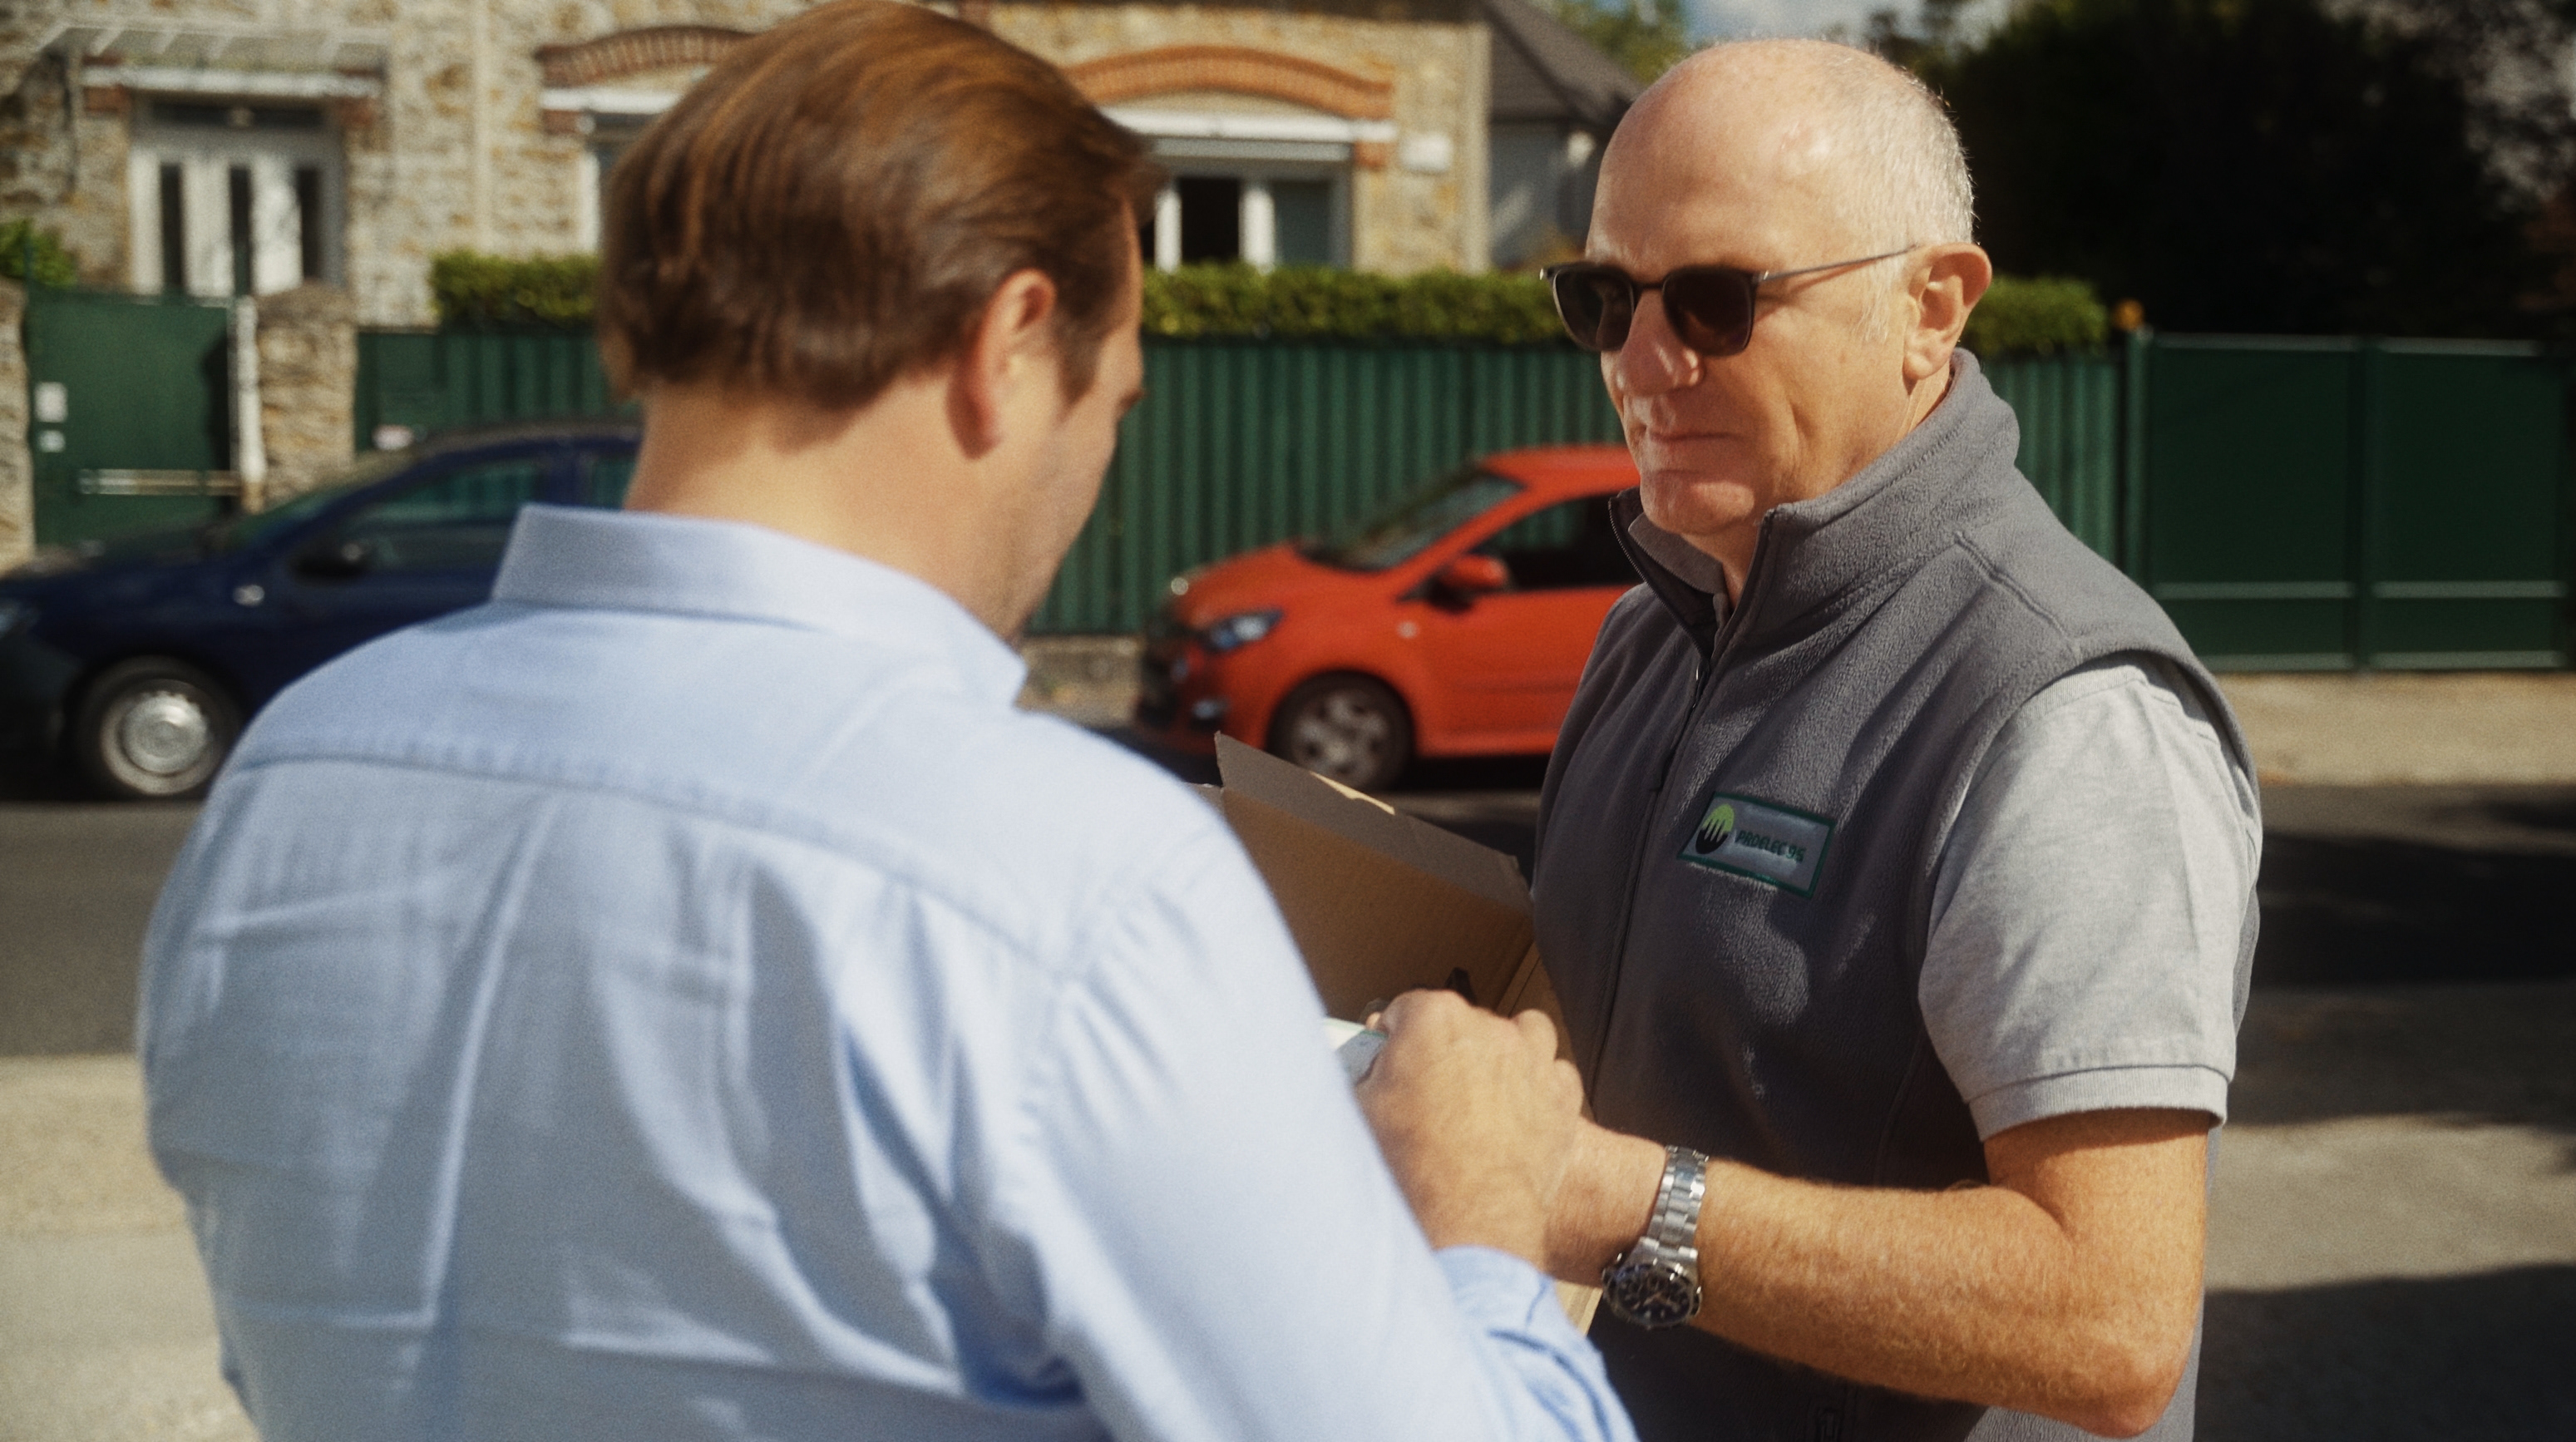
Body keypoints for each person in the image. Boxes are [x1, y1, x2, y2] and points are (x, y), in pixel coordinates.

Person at [136, 6, 1632, 1440]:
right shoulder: (1078, 873)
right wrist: (1478, 1221)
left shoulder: (292, 771)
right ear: (1010, 341)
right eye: (1114, 402)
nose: (1098, 461)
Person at [1519, 40, 2263, 1442]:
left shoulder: (2067, 707)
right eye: (1603, 299)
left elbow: (2110, 1322)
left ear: (1930, 307)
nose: (1643, 362)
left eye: (1719, 300)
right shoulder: (1651, 631)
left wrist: (1614, 1204)